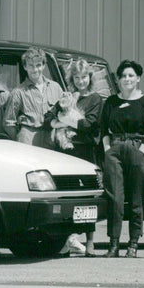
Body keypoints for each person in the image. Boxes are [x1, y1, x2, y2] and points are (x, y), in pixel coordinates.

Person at [45, 59, 104, 257]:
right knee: (68, 197)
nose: (81, 81)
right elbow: (47, 118)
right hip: (67, 152)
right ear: (72, 79)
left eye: (84, 77)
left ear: (90, 78)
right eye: (77, 77)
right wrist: (60, 121)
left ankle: (90, 242)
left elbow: (90, 125)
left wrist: (63, 119)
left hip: (85, 151)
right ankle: (67, 240)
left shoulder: (95, 99)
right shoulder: (68, 96)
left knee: (88, 198)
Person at [100, 60, 144, 258]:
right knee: (115, 198)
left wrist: (141, 151)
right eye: (123, 76)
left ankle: (133, 243)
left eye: (131, 75)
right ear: (118, 79)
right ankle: (114, 244)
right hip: (115, 149)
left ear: (138, 78)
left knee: (136, 198)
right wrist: (108, 149)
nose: (127, 79)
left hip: (137, 149)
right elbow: (103, 129)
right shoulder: (111, 102)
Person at [3, 47, 64, 148]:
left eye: (38, 65)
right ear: (25, 67)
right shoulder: (18, 92)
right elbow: (8, 123)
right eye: (31, 65)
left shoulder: (56, 88)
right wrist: (21, 139)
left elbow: (64, 113)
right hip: (28, 140)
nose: (35, 69)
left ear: (44, 65)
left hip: (51, 140)